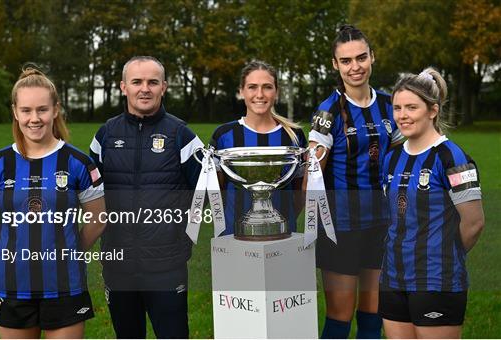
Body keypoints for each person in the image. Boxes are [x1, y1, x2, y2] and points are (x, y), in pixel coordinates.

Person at [0, 66, 106, 338]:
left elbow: (98, 220)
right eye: (26, 110)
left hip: (65, 285)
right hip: (13, 285)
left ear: (55, 110)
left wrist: (67, 251)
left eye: (42, 110)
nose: (34, 118)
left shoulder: (79, 163)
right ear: (15, 112)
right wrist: (14, 252)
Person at [89, 56, 203, 339]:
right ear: (122, 87)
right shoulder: (105, 135)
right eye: (137, 81)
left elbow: (209, 192)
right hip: (118, 265)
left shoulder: (182, 135)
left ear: (163, 87)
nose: (145, 89)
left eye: (153, 82)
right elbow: (87, 195)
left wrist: (183, 233)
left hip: (167, 266)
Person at [307, 25, 404, 338]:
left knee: (374, 311)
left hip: (382, 224)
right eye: (346, 61)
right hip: (341, 226)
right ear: (335, 65)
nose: (355, 66)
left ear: (372, 57)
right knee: (340, 314)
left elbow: (405, 162)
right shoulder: (328, 112)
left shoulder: (391, 105)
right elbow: (313, 174)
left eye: (361, 57)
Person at [379, 67, 485, 338]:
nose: (403, 115)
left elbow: (474, 223)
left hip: (437, 280)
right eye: (397, 107)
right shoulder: (390, 157)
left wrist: (445, 254)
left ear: (433, 110)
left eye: (412, 107)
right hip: (393, 278)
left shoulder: (452, 157)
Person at [210, 60, 307, 237]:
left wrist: (287, 216)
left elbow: (300, 191)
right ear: (241, 91)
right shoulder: (224, 135)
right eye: (252, 87)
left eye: (267, 87)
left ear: (276, 92)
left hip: (283, 233)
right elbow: (218, 191)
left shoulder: (294, 135)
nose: (260, 94)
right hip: (234, 234)